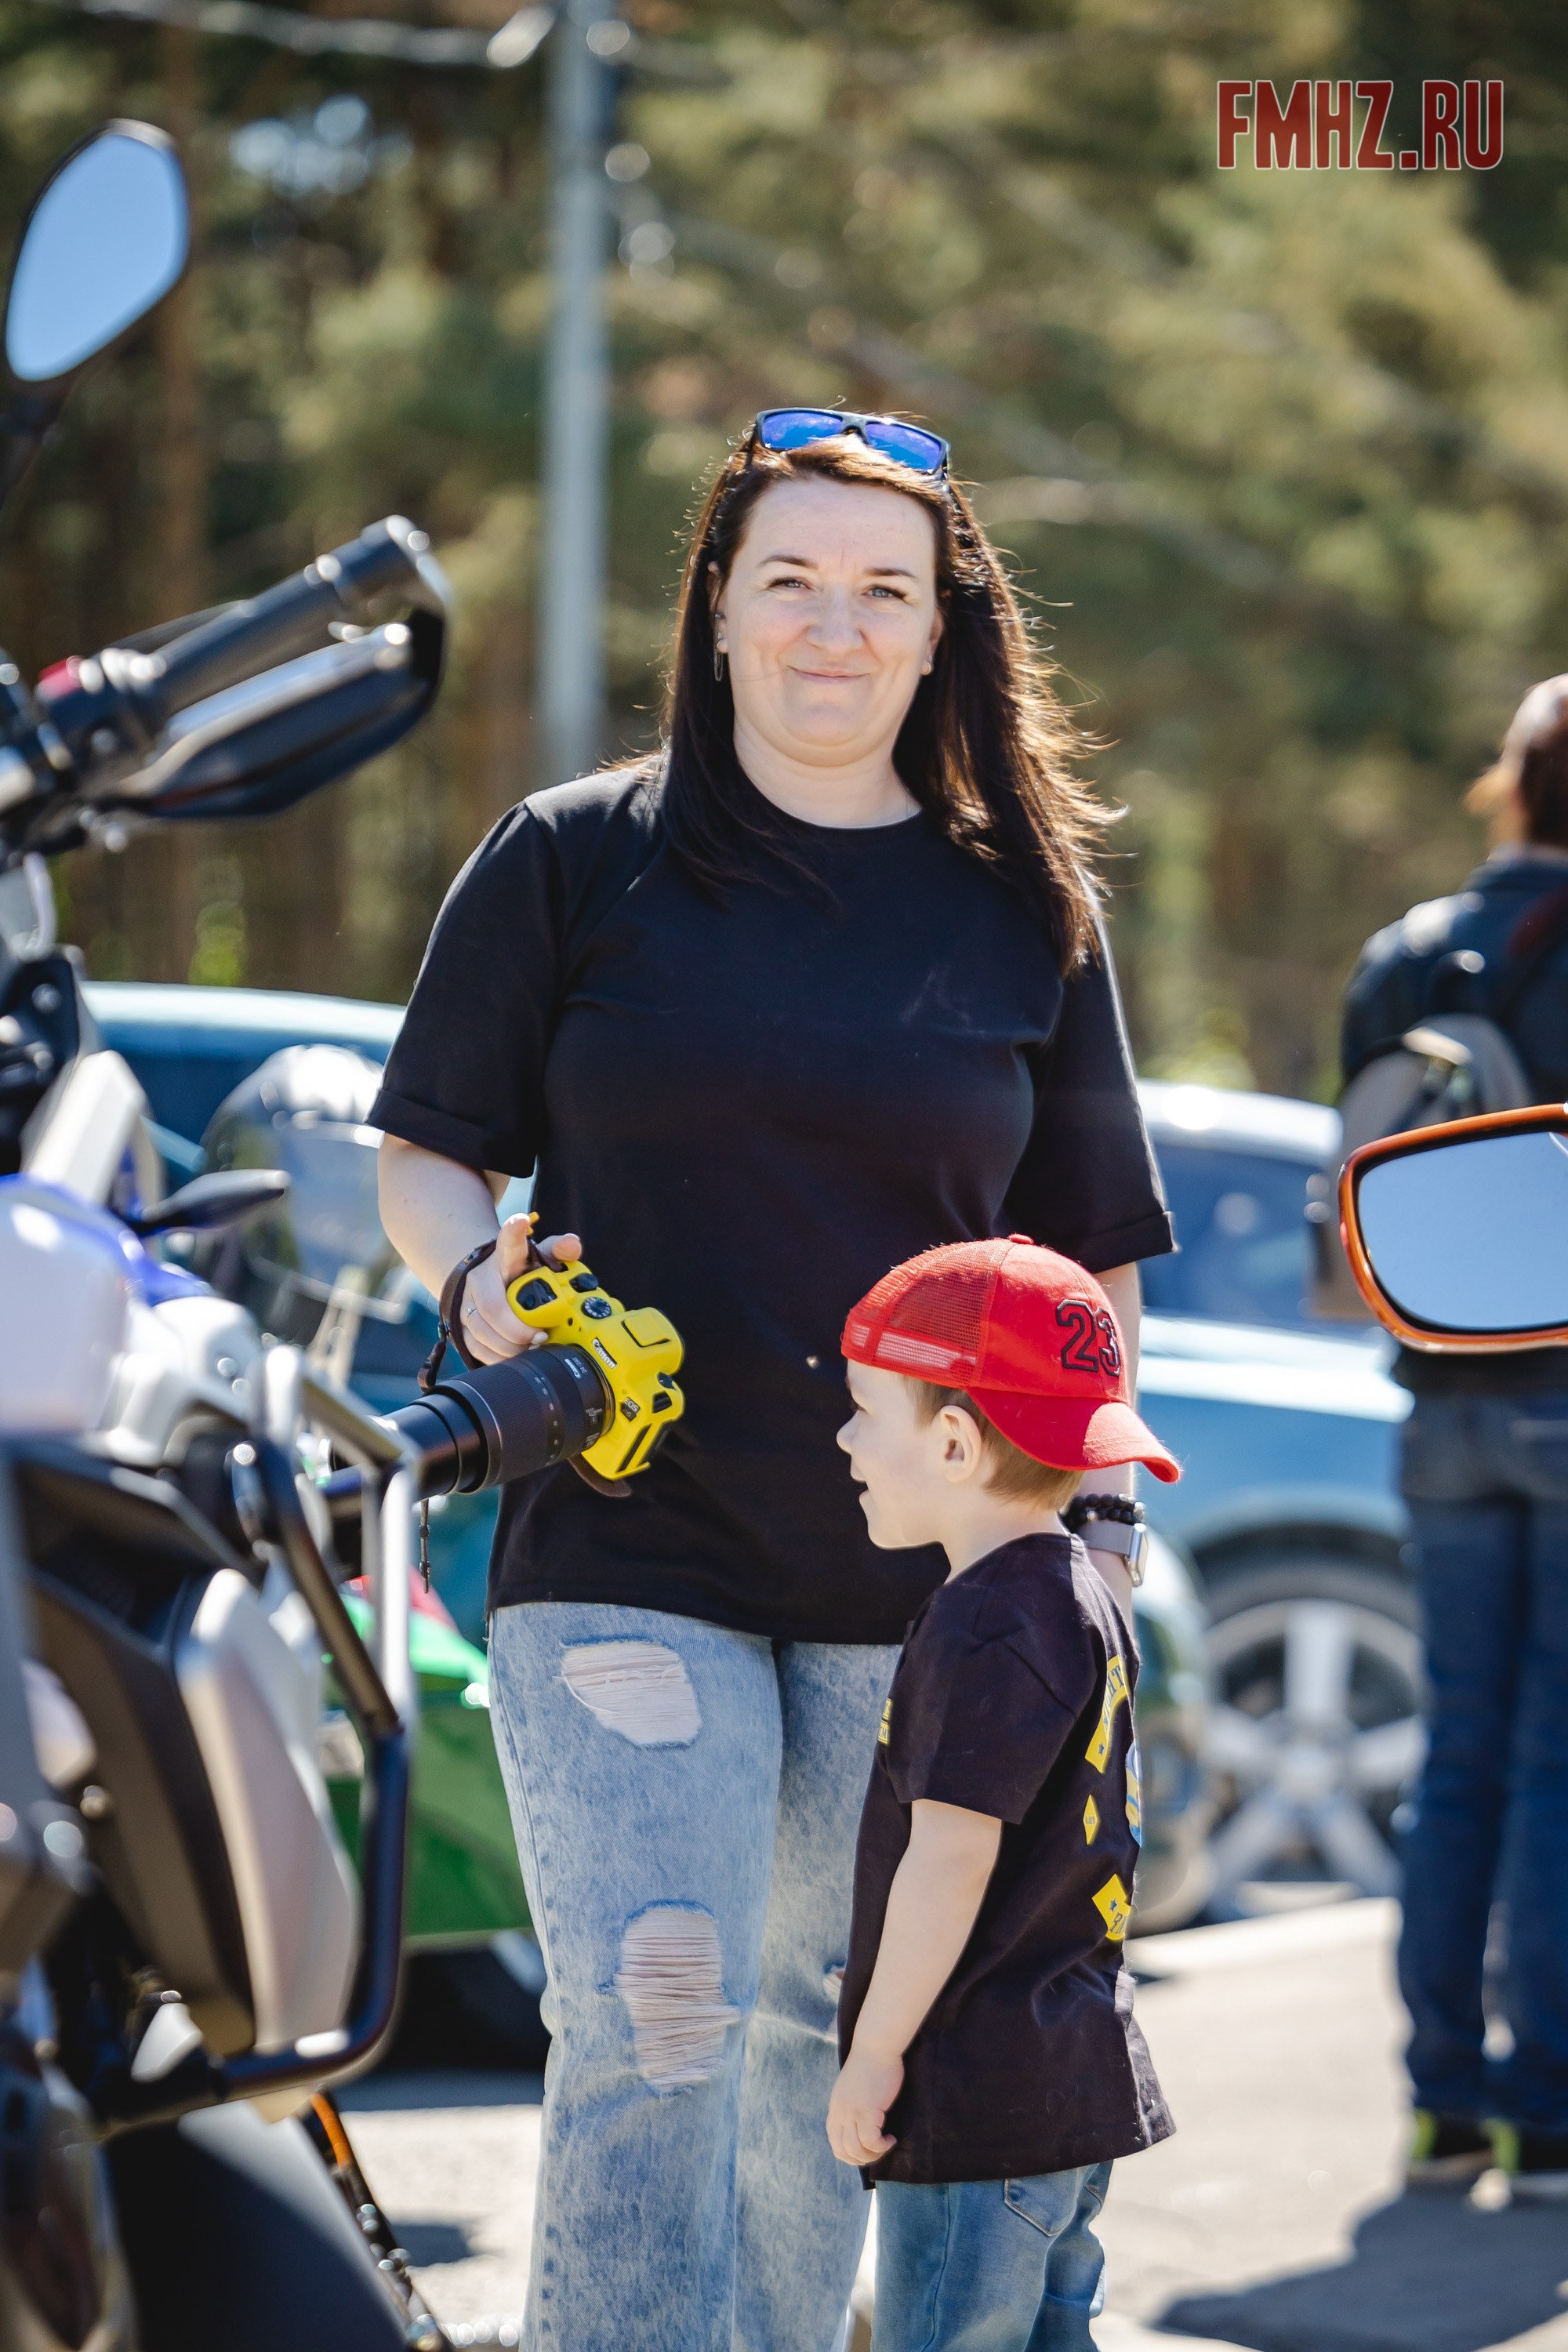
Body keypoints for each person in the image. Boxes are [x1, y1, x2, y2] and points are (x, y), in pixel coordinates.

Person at [371, 408, 1174, 2352]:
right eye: (790, 580)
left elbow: (1091, 1262)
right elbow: (428, 1145)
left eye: (881, 590)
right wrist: (477, 1278)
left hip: (916, 1584)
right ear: (718, 609)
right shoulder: (579, 857)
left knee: (823, 2030)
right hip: (627, 1539)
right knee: (659, 2010)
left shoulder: (1024, 903)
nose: (835, 627)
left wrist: (1093, 1523)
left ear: (938, 630)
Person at [828, 1236, 1178, 2351]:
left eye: (863, 1414)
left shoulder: (987, 1621)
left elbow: (952, 1859)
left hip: (977, 2104)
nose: (843, 1441)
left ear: (953, 1440)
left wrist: (876, 2053)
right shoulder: (1087, 1593)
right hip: (1071, 2082)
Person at [1342, 673, 1568, 2195]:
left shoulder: (1404, 955)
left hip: (1434, 1403)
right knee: (1557, 1762)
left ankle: (1440, 2095)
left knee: (1460, 1754)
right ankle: (1548, 2107)